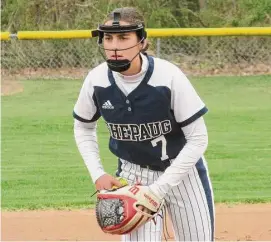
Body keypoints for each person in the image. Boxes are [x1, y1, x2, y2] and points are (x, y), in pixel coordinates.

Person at [73, 7, 214, 242]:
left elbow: (198, 138)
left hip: (183, 174)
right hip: (132, 177)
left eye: (123, 37)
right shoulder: (96, 80)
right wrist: (97, 173)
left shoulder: (168, 77)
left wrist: (159, 190)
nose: (114, 46)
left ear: (142, 42)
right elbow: (83, 127)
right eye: (108, 38)